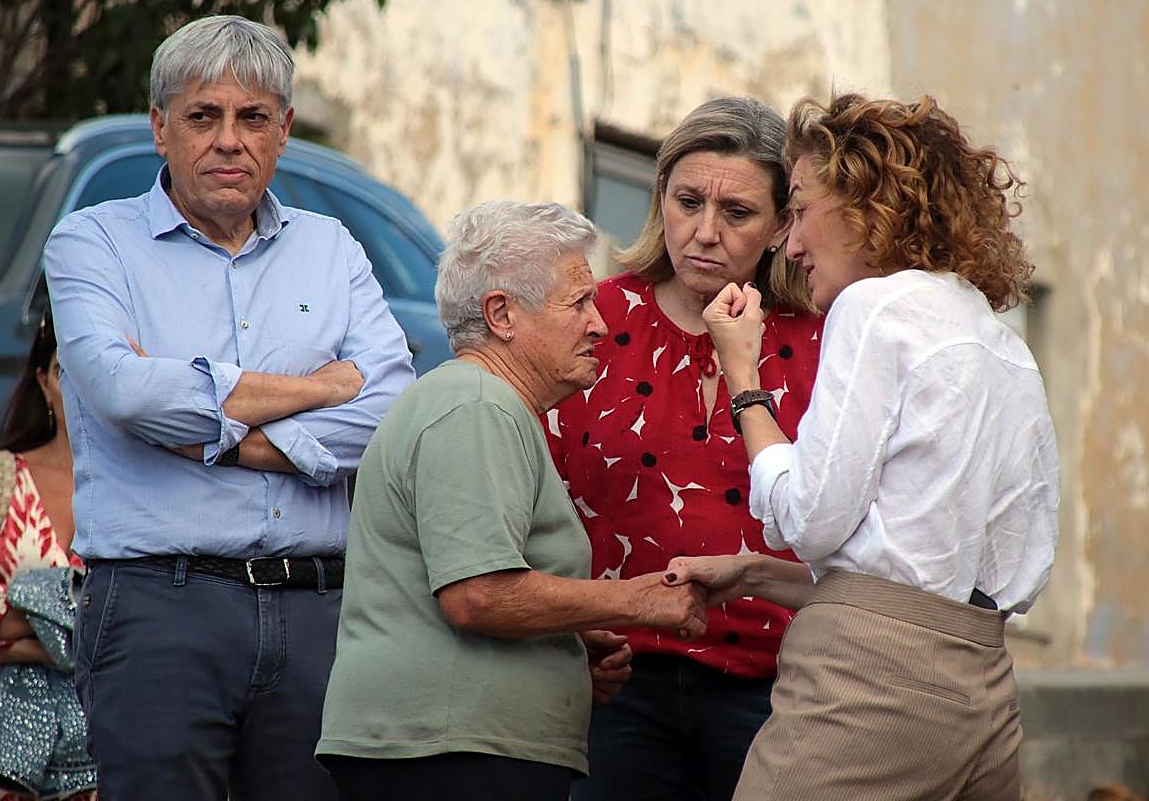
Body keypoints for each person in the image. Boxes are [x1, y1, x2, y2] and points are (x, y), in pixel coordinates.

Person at [43, 15, 414, 800]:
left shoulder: (333, 247)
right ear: (159, 127)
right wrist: (322, 385)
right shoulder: (91, 245)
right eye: (203, 116)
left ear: (283, 132)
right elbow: (126, 390)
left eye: (252, 119)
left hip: (322, 612)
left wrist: (221, 435)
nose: (228, 141)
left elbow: (391, 409)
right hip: (160, 609)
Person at [668, 92, 1060, 799]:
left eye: (799, 209)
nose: (789, 244)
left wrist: (744, 377)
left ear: (865, 203)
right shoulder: (1005, 347)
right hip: (985, 686)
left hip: (866, 687)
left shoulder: (874, 307)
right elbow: (959, 574)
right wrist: (757, 574)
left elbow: (809, 519)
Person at [316, 200, 710, 801]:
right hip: (450, 754)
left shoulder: (483, 405)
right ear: (502, 313)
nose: (600, 324)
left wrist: (567, 640)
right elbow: (478, 594)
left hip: (457, 747)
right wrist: (634, 600)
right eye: (578, 302)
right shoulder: (476, 405)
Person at [544, 97, 822, 801]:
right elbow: (531, 493)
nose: (704, 233)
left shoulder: (823, 343)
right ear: (658, 197)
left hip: (779, 689)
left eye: (736, 213)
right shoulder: (594, 320)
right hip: (612, 678)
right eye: (687, 200)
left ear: (783, 224)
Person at [0, 309, 95, 800]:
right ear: (41, 379)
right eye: (63, 371)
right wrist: (79, 641)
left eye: (92, 369)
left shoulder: (143, 496)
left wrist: (7, 632)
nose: (79, 386)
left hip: (104, 733)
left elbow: (147, 620)